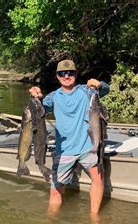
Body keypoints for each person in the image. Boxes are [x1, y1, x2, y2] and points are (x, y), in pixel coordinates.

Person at [28, 59, 110, 215]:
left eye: (70, 73)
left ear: (76, 74)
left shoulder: (86, 91)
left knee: (98, 180)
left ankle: (94, 217)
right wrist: (35, 98)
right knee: (56, 190)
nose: (67, 76)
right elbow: (39, 112)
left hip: (88, 146)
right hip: (64, 150)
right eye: (62, 73)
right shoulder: (53, 97)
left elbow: (105, 90)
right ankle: (50, 220)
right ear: (57, 76)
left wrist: (99, 84)